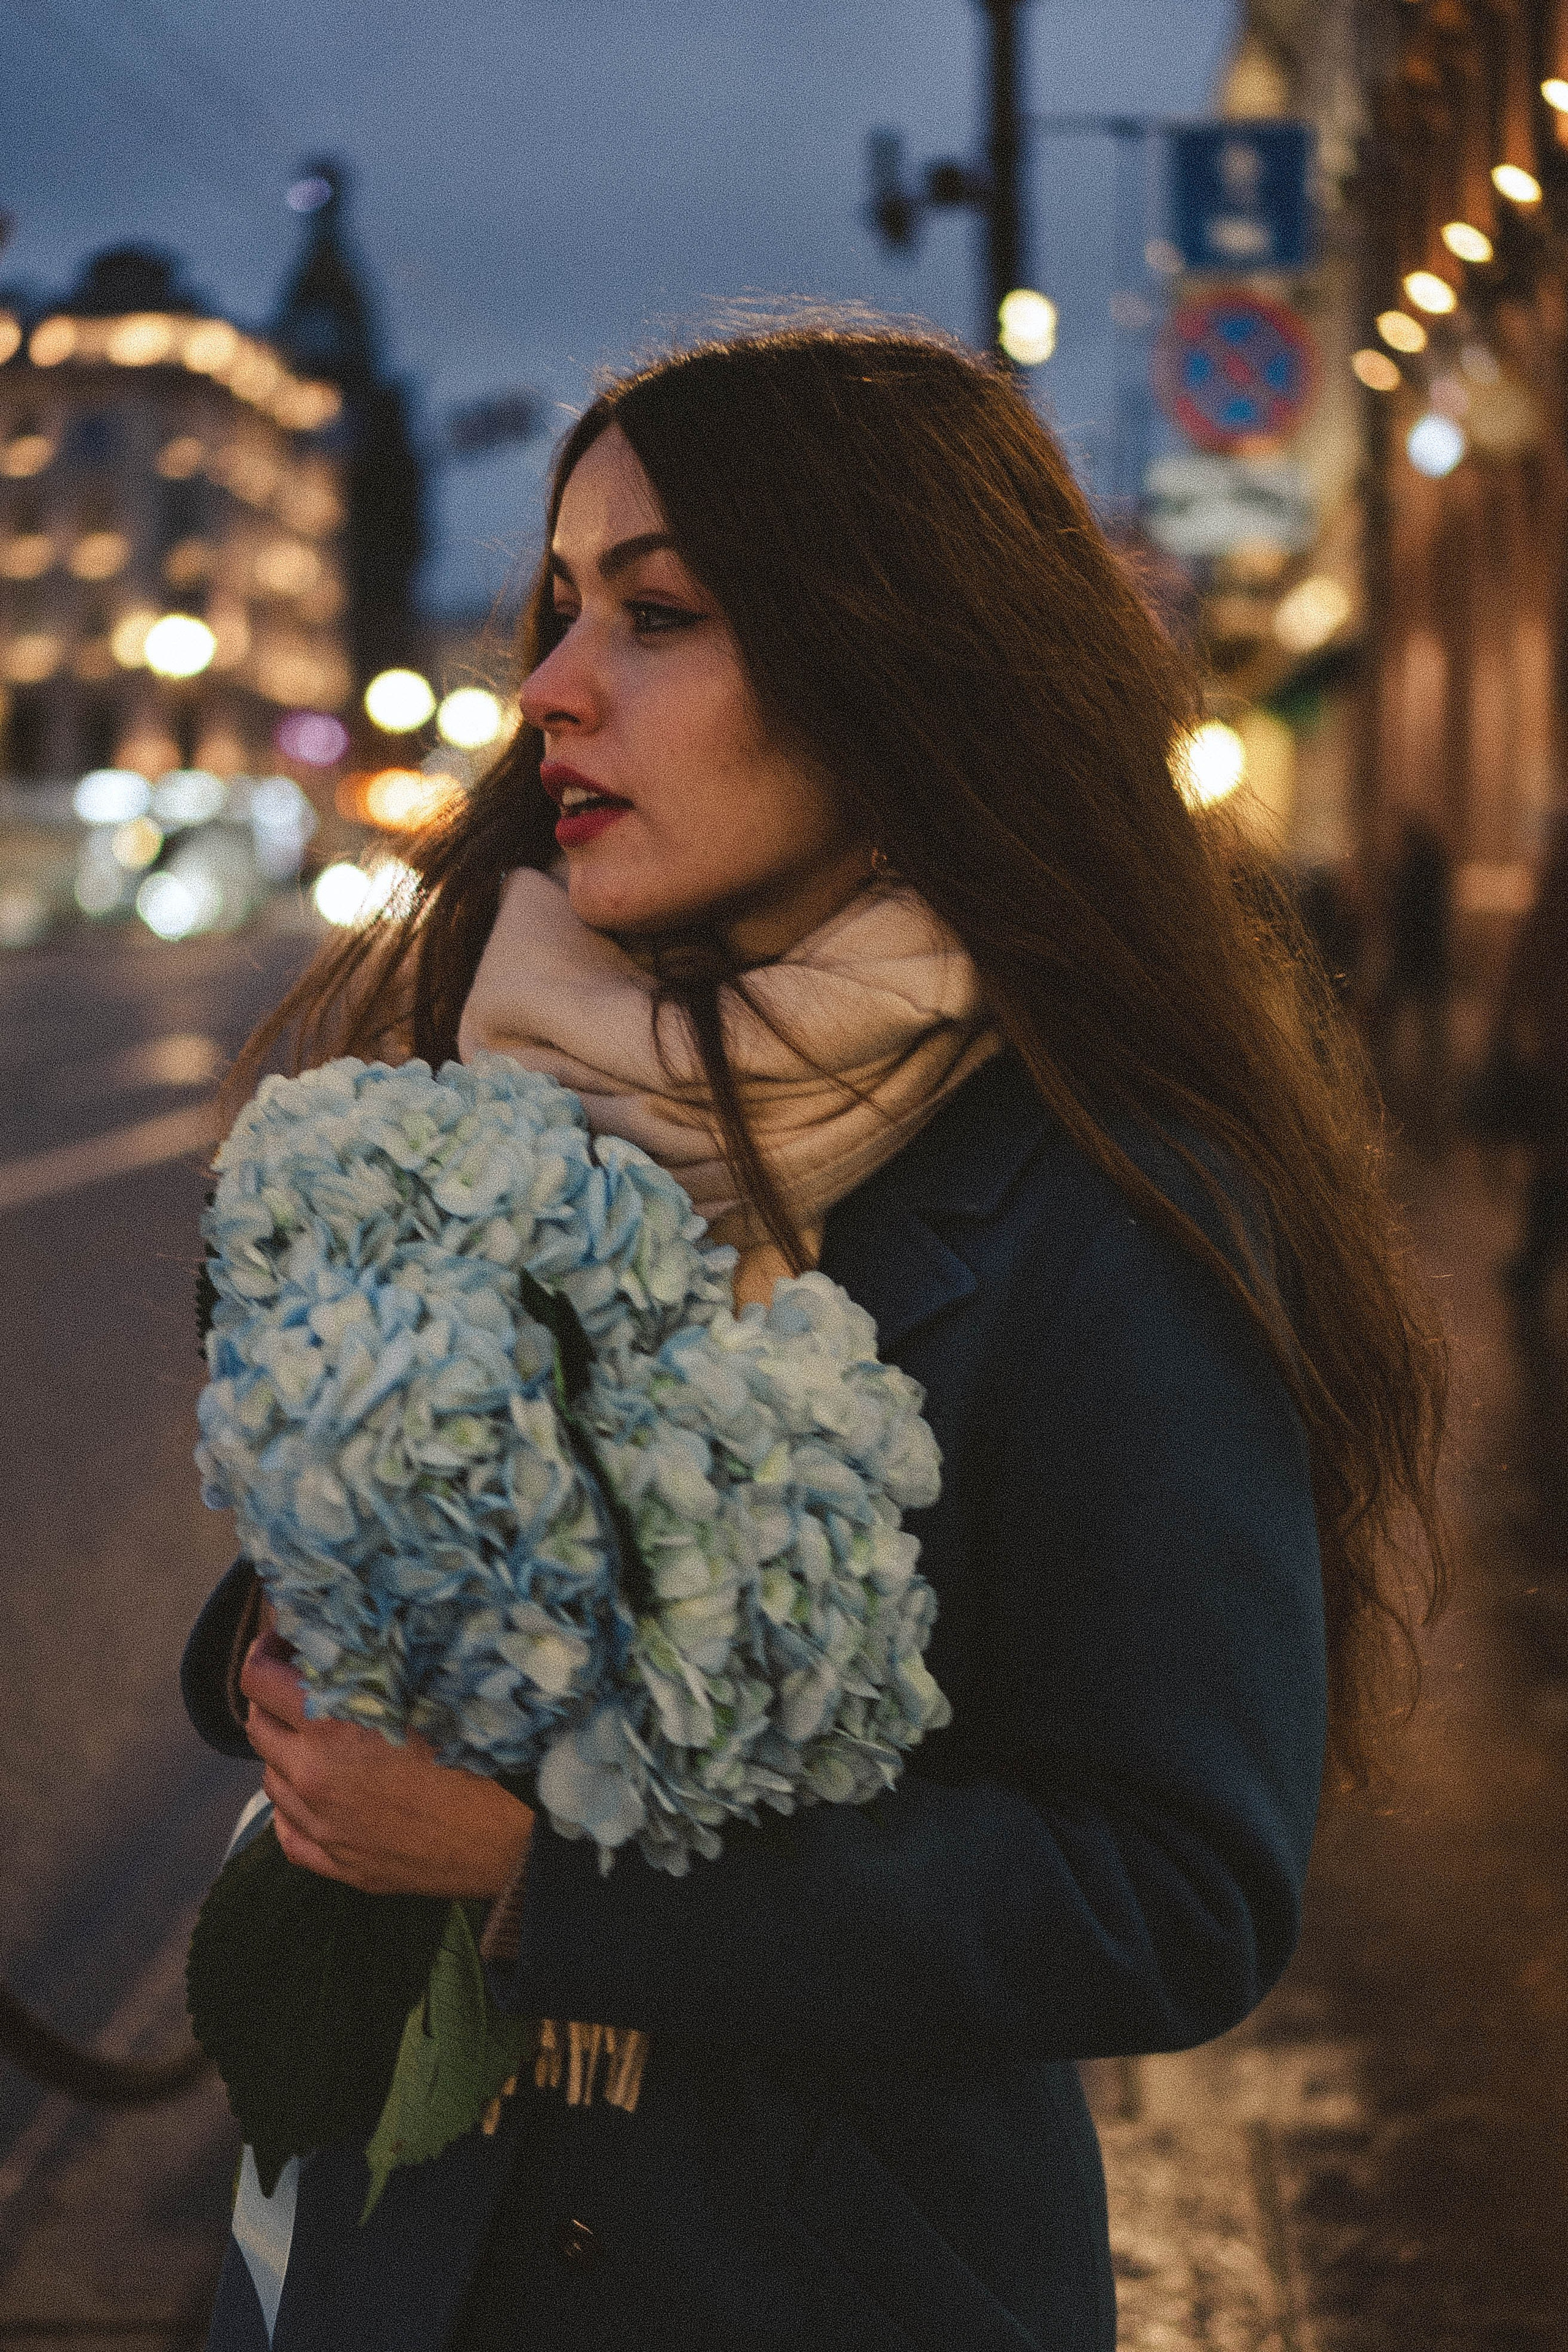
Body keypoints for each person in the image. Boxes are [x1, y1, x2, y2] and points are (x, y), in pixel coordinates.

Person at [181, 322, 1447, 2352]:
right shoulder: (506, 1075)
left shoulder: (1105, 1203)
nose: (554, 684)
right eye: (562, 605)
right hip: (398, 2269)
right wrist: (296, 1621)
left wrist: (540, 1878)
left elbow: (1173, 1893)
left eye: (661, 613)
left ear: (897, 668)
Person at [1494, 819, 1568, 1319]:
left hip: (1557, 1048)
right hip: (1556, 1047)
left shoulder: (1555, 891)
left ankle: (1534, 1263)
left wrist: (1507, 1021)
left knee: (1552, 1160)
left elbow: (1529, 960)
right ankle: (1535, 1262)